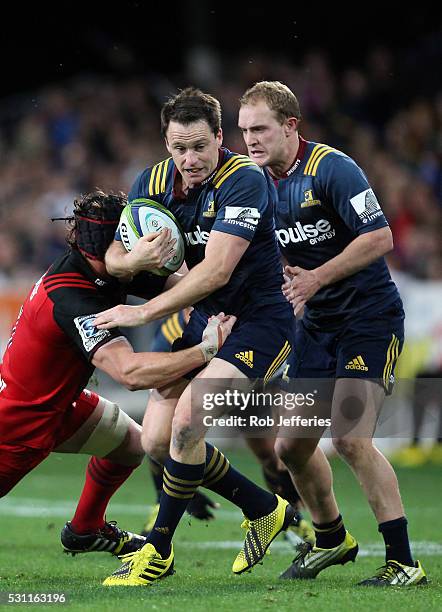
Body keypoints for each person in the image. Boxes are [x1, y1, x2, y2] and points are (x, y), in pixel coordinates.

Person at [95, 87, 296, 587]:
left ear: (220, 139)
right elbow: (115, 258)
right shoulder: (153, 181)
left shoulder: (244, 180)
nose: (190, 159)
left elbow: (216, 272)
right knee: (158, 442)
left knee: (187, 424)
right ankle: (262, 507)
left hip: (259, 321)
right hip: (203, 320)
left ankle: (157, 552)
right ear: (166, 142)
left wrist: (142, 314)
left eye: (200, 147)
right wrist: (134, 261)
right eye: (179, 147)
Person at [238, 80, 427, 587]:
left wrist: (318, 277)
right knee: (292, 448)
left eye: (260, 129)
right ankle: (331, 540)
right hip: (317, 327)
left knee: (349, 437)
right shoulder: (256, 184)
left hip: (368, 319)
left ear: (291, 126)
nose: (250, 140)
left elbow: (380, 236)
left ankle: (404, 563)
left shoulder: (333, 169)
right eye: (244, 131)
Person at [0, 189, 234, 560]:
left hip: (59, 404)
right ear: (118, 239)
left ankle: (85, 529)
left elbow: (184, 285)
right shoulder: (73, 298)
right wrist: (204, 350)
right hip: (18, 425)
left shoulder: (107, 269)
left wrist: (206, 301)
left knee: (129, 444)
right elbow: (131, 373)